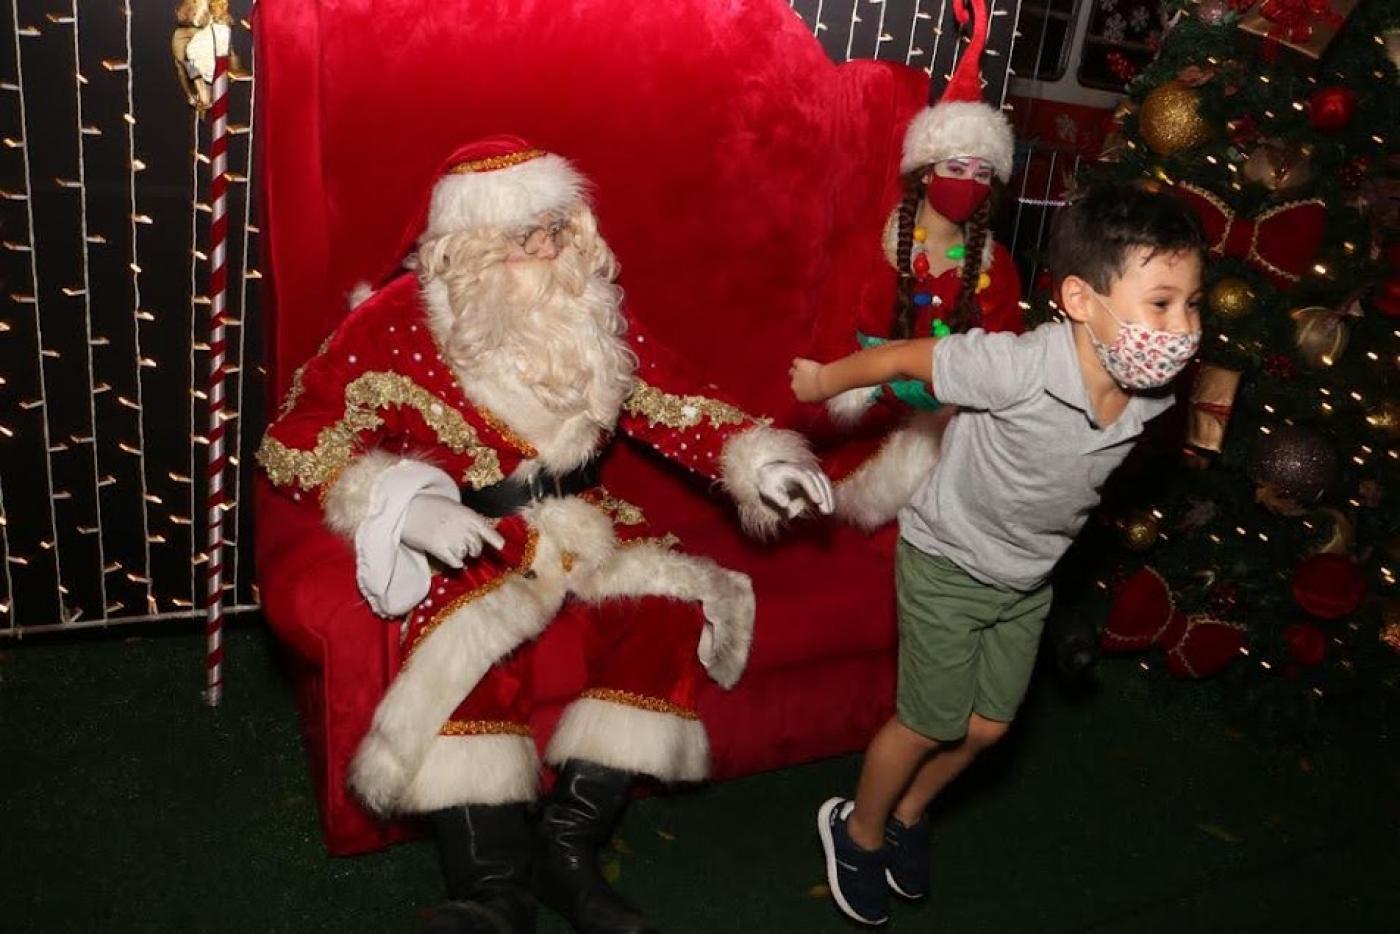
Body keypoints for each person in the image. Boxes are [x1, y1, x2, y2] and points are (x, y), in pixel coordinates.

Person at [257, 136, 833, 934]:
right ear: (469, 244)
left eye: (557, 227)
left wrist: (756, 459)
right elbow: (294, 441)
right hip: (477, 531)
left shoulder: (591, 307)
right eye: (524, 235)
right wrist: (405, 506)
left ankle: (568, 854)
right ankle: (491, 893)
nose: (549, 248)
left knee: (666, 609)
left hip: (586, 520)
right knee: (468, 648)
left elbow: (673, 401)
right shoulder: (397, 323)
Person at [790, 180, 1205, 926]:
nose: (1181, 327)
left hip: (1026, 580)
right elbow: (907, 358)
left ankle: (910, 812)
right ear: (1081, 300)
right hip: (946, 560)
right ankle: (856, 829)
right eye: (1163, 302)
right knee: (927, 723)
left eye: (1193, 304)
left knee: (986, 730)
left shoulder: (1151, 394)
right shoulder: (1014, 368)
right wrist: (823, 380)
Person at [811, 0, 1023, 532]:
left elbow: (998, 371)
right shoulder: (878, 241)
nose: (968, 182)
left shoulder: (998, 271)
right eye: (955, 167)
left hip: (938, 432)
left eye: (981, 172)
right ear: (926, 172)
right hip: (852, 404)